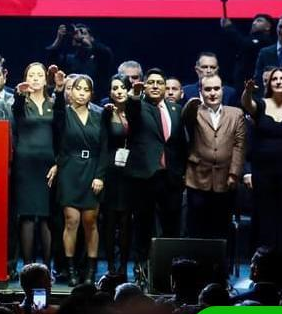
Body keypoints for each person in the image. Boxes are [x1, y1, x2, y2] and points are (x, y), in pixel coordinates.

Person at [126, 68, 187, 288]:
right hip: (145, 176)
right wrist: (134, 94)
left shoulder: (176, 109)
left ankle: (170, 271)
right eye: (150, 82)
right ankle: (141, 270)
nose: (154, 86)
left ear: (165, 87)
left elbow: (181, 144)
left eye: (159, 82)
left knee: (171, 226)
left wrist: (181, 172)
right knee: (143, 225)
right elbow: (131, 113)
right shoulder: (138, 106)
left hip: (170, 177)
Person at [241, 68, 282, 249]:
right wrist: (247, 91)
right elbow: (248, 105)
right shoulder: (261, 105)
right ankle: (264, 268)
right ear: (269, 84)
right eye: (274, 79)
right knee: (266, 218)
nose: (278, 81)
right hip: (263, 174)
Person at [52, 72, 107, 285]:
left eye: (86, 90)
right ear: (71, 92)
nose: (82, 93)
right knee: (71, 220)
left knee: (90, 221)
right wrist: (57, 89)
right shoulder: (63, 113)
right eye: (78, 89)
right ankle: (71, 269)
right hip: (69, 169)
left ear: (91, 93)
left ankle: (91, 271)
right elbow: (56, 114)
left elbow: (104, 148)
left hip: (93, 168)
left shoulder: (99, 114)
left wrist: (100, 175)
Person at [182, 74, 246, 239]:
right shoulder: (194, 110)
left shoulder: (236, 113)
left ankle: (219, 265)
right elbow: (185, 118)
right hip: (197, 177)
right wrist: (191, 103)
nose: (212, 93)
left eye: (216, 89)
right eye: (207, 89)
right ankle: (196, 264)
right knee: (196, 227)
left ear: (222, 90)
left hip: (225, 178)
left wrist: (234, 173)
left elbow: (239, 145)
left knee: (220, 228)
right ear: (200, 91)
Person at [12, 63, 57, 269]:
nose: (36, 78)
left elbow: (60, 134)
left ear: (46, 79)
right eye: (32, 75)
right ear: (25, 78)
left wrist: (58, 163)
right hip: (25, 165)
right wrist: (19, 95)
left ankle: (47, 268)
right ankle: (29, 267)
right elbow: (17, 111)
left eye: (40, 75)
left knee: (47, 216)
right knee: (28, 216)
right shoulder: (21, 102)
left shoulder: (54, 103)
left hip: (49, 165)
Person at [100, 75, 134, 278]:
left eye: (123, 87)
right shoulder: (106, 112)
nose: (119, 91)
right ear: (110, 92)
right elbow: (103, 144)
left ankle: (123, 266)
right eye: (115, 88)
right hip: (112, 172)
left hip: (131, 172)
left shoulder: (135, 111)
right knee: (110, 221)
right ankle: (111, 266)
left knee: (126, 221)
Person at [45, 23, 114, 97]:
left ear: (91, 38)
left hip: (96, 99)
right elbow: (50, 59)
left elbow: (106, 53)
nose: (79, 36)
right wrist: (59, 38)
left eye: (84, 33)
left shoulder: (99, 57)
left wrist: (86, 42)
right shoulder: (68, 59)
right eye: (75, 34)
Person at [221, 13, 273, 92]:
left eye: (259, 21)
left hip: (254, 85)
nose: (254, 23)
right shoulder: (250, 38)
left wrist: (229, 27)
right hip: (240, 83)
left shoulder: (265, 41)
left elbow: (244, 44)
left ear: (268, 26)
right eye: (254, 21)